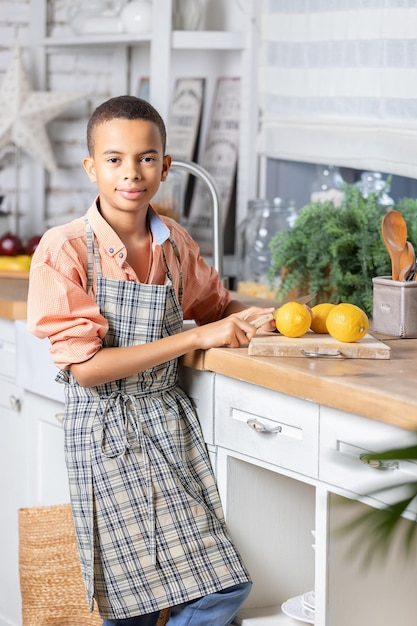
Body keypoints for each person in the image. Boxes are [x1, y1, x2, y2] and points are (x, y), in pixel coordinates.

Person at [27, 95, 275, 626]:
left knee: (219, 586)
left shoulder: (174, 243)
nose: (130, 173)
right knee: (132, 605)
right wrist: (196, 338)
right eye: (114, 159)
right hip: (104, 433)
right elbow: (88, 367)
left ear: (164, 167)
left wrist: (268, 316)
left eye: (145, 158)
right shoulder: (64, 249)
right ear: (91, 166)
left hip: (166, 424)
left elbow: (216, 304)